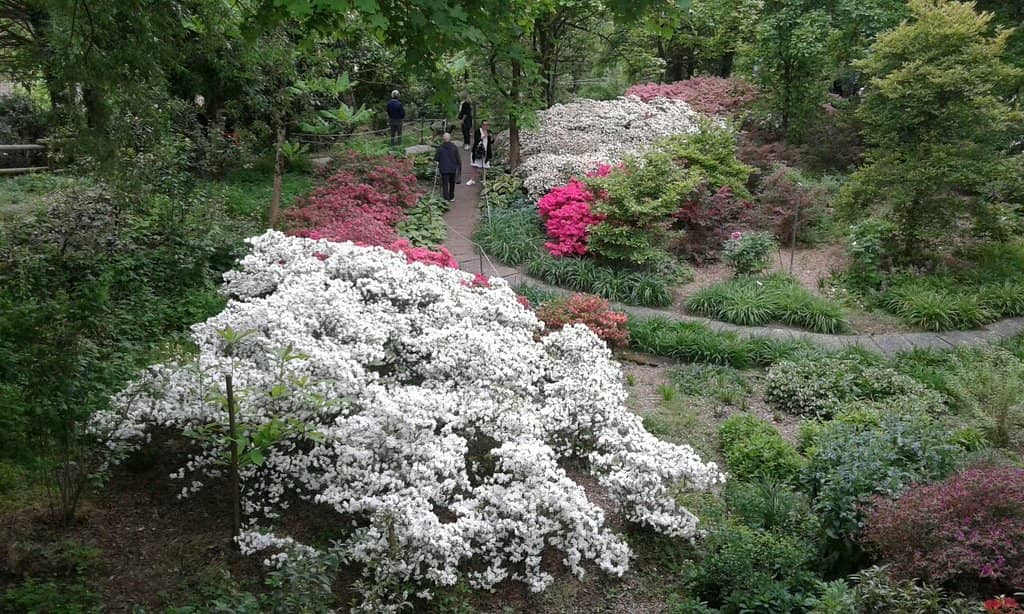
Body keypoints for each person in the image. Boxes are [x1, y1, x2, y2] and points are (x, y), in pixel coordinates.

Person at [435, 133, 461, 201]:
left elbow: (436, 158)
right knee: (452, 183)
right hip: (452, 168)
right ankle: (451, 196)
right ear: (450, 138)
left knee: (445, 183)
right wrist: (459, 166)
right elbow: (458, 158)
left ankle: (446, 197)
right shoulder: (454, 147)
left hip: (444, 168)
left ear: (443, 139)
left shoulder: (440, 147)